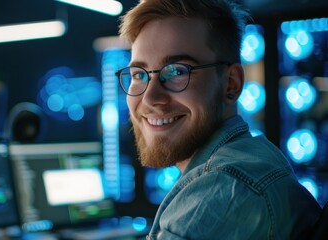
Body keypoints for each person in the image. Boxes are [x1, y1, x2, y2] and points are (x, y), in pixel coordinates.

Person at [115, 0, 322, 239]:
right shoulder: (247, 162)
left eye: (177, 71)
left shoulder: (227, 187)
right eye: (138, 74)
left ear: (231, 84)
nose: (150, 97)